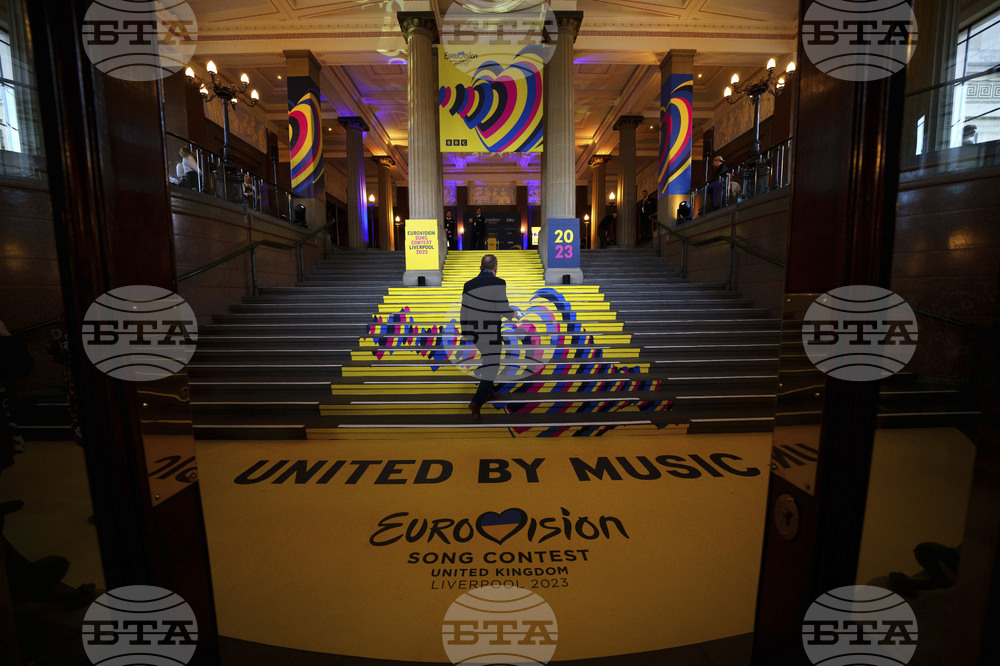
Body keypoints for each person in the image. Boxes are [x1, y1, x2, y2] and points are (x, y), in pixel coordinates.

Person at [461, 255, 519, 419]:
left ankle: (489, 392)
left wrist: (465, 331)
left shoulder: (468, 284)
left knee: (489, 360)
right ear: (495, 269)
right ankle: (477, 401)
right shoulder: (499, 282)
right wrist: (513, 314)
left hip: (475, 333)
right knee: (492, 366)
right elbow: (501, 307)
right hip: (491, 332)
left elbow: (464, 310)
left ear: (480, 268)